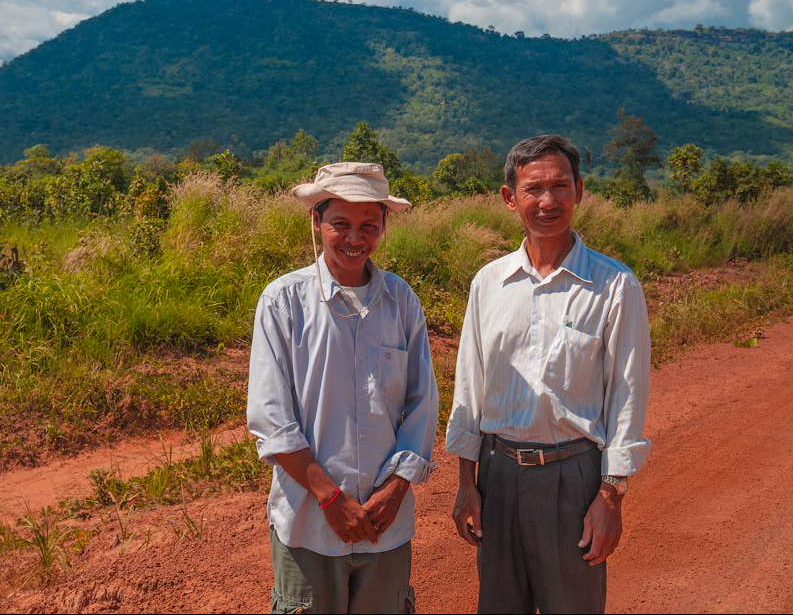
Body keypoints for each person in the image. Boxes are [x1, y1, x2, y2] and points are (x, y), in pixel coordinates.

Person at [446, 135, 651, 614]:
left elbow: (627, 395)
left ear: (579, 191)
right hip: (497, 478)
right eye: (533, 188)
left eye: (560, 186)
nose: (547, 200)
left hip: (574, 480)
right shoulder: (488, 283)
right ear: (509, 197)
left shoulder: (615, 285)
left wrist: (611, 495)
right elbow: (470, 386)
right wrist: (466, 482)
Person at [248, 162, 439, 614]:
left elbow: (422, 403)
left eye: (368, 226)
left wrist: (396, 490)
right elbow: (272, 420)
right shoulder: (283, 302)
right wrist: (330, 498)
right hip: (310, 523)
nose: (355, 238)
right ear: (316, 221)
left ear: (383, 226)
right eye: (341, 224)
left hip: (384, 523)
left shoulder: (401, 301)